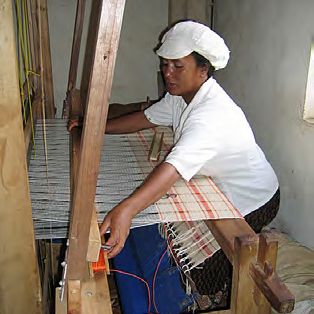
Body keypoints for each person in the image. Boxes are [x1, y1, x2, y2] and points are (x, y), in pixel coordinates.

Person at [98, 20, 279, 297]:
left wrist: (128, 210)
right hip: (224, 185)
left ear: (203, 70)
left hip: (256, 198)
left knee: (206, 279)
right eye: (164, 64)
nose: (167, 73)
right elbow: (144, 119)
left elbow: (173, 168)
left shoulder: (211, 115)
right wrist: (96, 128)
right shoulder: (181, 96)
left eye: (177, 66)